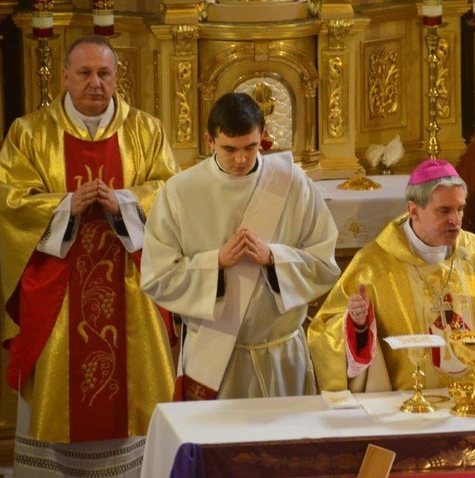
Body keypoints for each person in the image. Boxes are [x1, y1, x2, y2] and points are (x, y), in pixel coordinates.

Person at [0, 36, 179, 478]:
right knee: (60, 391)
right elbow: (11, 200)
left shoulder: (146, 131)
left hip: (132, 288)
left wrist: (125, 203)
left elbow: (172, 193)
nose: (95, 84)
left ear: (118, 77)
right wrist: (64, 206)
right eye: (84, 74)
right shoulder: (30, 133)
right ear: (64, 77)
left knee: (139, 388)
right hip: (60, 289)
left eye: (104, 74)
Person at [140, 92, 340, 401]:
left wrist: (275, 258)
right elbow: (157, 276)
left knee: (284, 448)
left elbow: (325, 263)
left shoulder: (293, 183)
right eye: (229, 149)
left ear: (263, 136)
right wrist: (214, 263)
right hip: (214, 356)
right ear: (210, 140)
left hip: (279, 354)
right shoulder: (180, 191)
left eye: (250, 147)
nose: (240, 159)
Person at [307, 159, 475, 393]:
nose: (455, 221)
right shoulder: (373, 264)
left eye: (460, 209)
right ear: (413, 210)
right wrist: (357, 324)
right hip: (406, 406)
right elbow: (324, 330)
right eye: (443, 211)